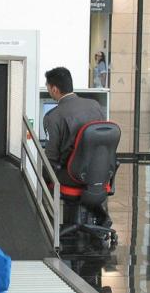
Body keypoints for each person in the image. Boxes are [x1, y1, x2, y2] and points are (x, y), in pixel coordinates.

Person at [43, 66, 111, 227]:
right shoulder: (95, 105)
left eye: (48, 87)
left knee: (40, 171)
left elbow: (51, 157)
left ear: (54, 88)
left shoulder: (53, 116)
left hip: (72, 176)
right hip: (100, 172)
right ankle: (98, 212)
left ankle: (44, 221)